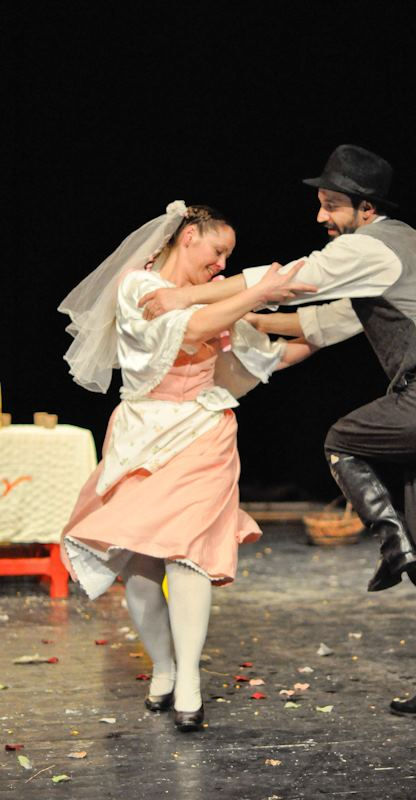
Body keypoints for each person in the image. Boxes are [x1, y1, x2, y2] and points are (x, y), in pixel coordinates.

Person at [139, 147, 416, 720]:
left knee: (342, 440)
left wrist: (187, 296)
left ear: (366, 208)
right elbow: (327, 321)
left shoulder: (368, 246)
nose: (321, 216)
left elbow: (288, 282)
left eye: (331, 205)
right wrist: (245, 317)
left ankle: (392, 542)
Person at [58, 201, 315, 732]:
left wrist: (332, 330)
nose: (221, 264)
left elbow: (264, 353)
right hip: (143, 437)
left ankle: (190, 682)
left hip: (204, 432)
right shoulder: (137, 286)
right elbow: (192, 326)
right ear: (189, 235)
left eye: (229, 258)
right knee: (142, 571)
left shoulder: (213, 296)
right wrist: (256, 291)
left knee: (188, 557)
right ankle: (164, 667)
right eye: (218, 250)